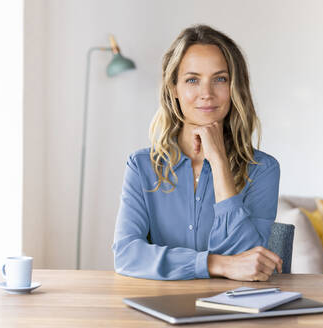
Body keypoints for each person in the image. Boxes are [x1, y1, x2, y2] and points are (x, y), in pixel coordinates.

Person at [112, 24, 282, 281]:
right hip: (160, 308)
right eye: (192, 80)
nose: (207, 94)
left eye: (220, 79)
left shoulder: (263, 169)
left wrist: (219, 162)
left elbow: (249, 263)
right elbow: (126, 254)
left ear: (235, 87)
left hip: (235, 312)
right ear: (174, 90)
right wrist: (217, 264)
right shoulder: (142, 166)